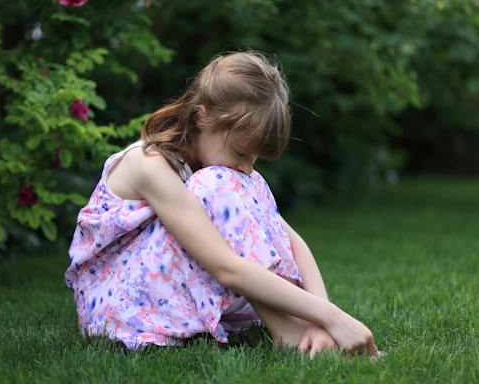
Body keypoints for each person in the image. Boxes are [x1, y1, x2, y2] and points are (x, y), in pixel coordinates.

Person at [64, 51, 378, 359]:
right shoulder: (149, 163)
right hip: (119, 305)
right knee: (217, 182)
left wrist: (320, 320)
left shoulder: (227, 170)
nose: (247, 166)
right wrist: (334, 318)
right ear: (202, 116)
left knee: (244, 183)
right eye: (242, 153)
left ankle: (300, 329)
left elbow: (294, 244)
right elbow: (226, 268)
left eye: (254, 157)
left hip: (163, 287)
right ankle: (288, 333)